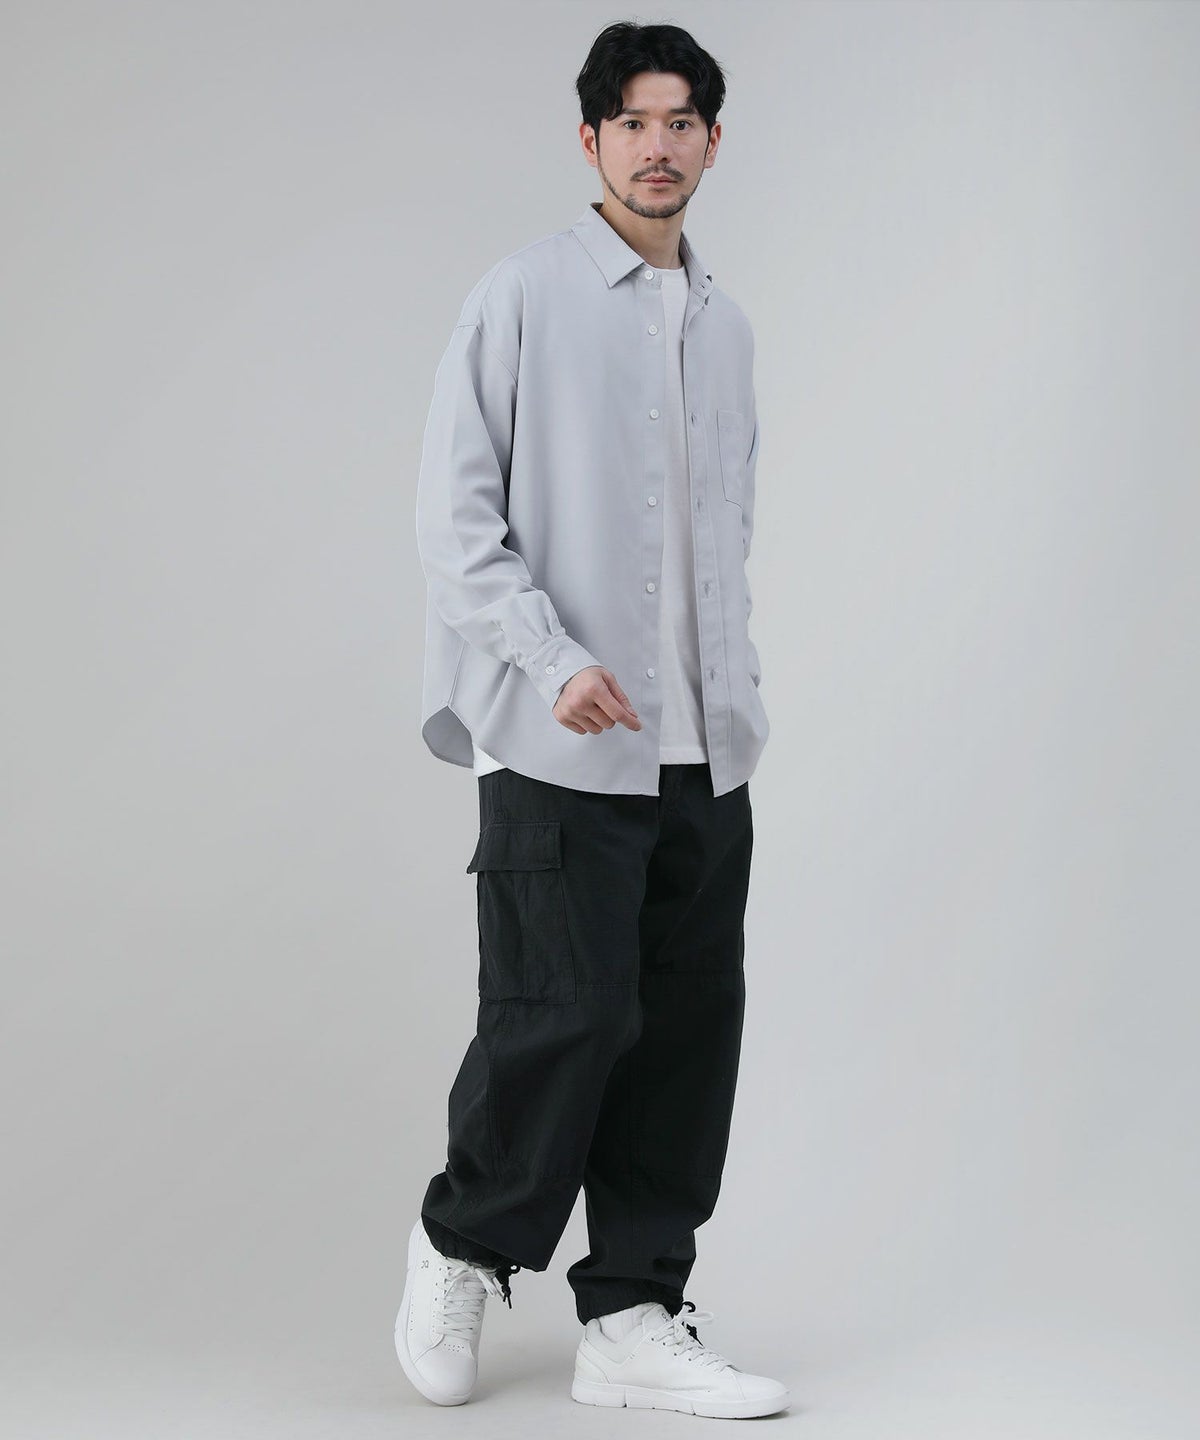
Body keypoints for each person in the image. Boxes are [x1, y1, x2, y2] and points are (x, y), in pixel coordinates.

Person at [394, 20, 786, 1419]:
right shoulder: (523, 296)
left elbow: (720, 537)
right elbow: (455, 522)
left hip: (703, 750)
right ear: (591, 139)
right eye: (633, 122)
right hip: (561, 738)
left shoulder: (727, 328)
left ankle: (632, 1312)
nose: (657, 146)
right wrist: (549, 660)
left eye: (682, 123)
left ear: (714, 143)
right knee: (561, 1015)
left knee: (685, 1032)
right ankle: (460, 1245)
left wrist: (733, 694)